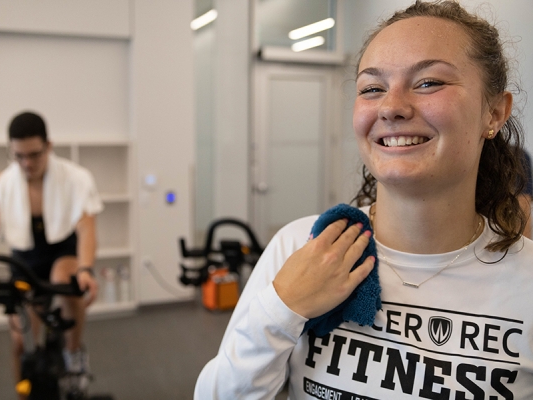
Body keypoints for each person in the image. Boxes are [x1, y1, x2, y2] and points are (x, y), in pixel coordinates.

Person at [194, 1, 533, 398]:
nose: (391, 107)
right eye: (372, 88)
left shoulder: (523, 281)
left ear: (494, 112)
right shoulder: (302, 248)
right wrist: (281, 310)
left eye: (428, 83)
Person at [0, 111, 103, 398]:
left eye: (34, 155)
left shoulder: (76, 177)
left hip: (63, 252)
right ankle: (24, 391)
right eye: (18, 156)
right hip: (24, 259)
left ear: (49, 146)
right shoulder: (3, 182)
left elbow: (86, 227)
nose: (26, 163)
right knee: (20, 339)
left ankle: (74, 355)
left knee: (65, 279)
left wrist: (86, 269)